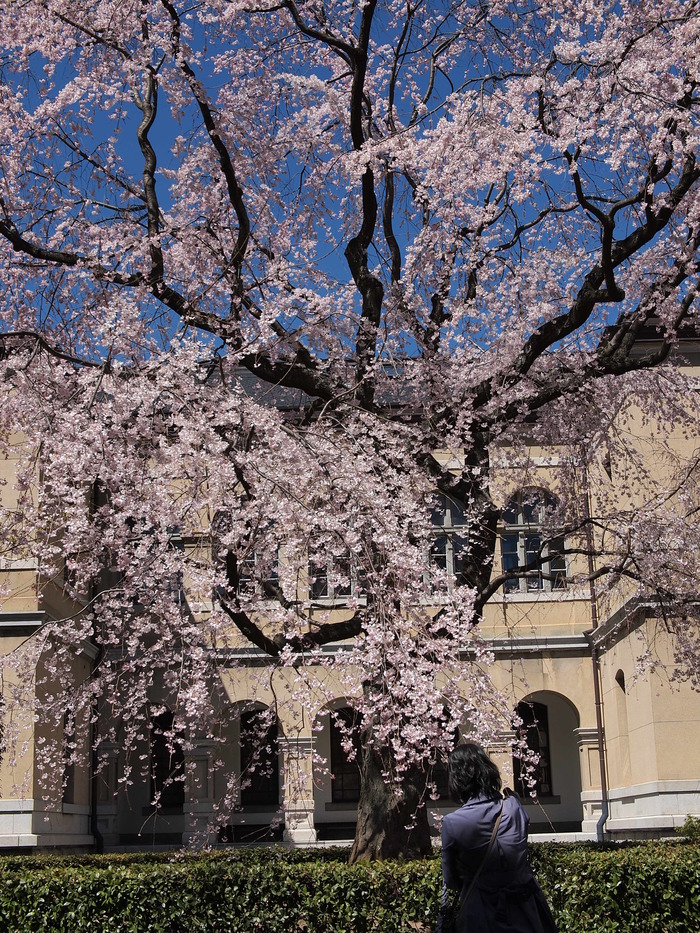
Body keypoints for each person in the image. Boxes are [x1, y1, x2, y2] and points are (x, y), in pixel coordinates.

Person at [436, 742, 558, 933]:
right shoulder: (513, 807)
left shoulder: (453, 823)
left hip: (479, 913)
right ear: (487, 770)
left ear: (456, 778)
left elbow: (451, 880)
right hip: (525, 909)